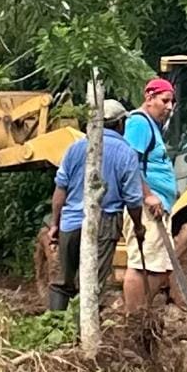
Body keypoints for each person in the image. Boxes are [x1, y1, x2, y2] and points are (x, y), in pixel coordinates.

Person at [47, 99, 146, 312]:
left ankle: (54, 329)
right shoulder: (125, 153)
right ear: (120, 124)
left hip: (70, 223)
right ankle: (82, 338)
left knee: (62, 282)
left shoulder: (75, 148)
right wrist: (138, 226)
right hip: (105, 222)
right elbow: (133, 199)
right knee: (93, 284)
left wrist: (55, 224)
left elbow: (60, 190)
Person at [122, 77, 178, 312]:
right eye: (165, 100)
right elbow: (129, 163)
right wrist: (148, 196)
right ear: (149, 97)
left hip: (159, 205)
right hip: (147, 207)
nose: (169, 107)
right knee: (142, 263)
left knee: (159, 266)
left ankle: (142, 312)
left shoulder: (152, 126)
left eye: (172, 102)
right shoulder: (139, 123)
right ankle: (134, 317)